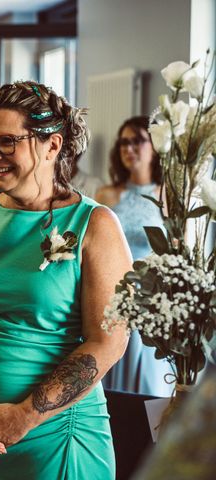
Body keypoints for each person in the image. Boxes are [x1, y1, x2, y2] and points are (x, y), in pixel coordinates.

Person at [0, 80, 131, 479]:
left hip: (56, 433)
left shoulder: (96, 225)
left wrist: (26, 415)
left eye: (6, 142)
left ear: (52, 145)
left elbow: (108, 341)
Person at [96, 115, 173, 397]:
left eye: (137, 141)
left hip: (152, 299)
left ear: (154, 146)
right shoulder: (107, 194)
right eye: (124, 143)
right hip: (113, 294)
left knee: (149, 386)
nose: (129, 149)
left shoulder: (167, 194)